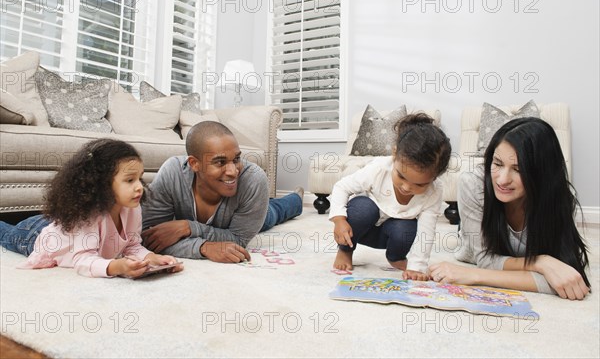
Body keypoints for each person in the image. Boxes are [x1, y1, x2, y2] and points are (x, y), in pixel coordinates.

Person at [429, 117, 591, 300]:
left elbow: (569, 279)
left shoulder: (559, 196)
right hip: (482, 217)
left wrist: (472, 275)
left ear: (541, 173)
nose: (502, 179)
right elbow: (485, 260)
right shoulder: (473, 183)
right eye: (497, 164)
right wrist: (541, 262)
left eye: (518, 169)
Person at [0, 139, 183, 278]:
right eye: (129, 180)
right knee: (6, 234)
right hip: (34, 233)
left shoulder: (132, 207)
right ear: (102, 184)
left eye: (139, 178)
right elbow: (82, 261)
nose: (139, 187)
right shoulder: (90, 215)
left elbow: (132, 246)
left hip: (68, 227)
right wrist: (117, 267)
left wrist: (152, 257)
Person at [141, 121, 303, 263]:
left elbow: (238, 240)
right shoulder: (172, 172)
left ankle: (296, 198)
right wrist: (204, 247)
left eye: (237, 159)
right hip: (229, 217)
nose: (233, 171)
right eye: (220, 162)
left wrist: (189, 228)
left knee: (274, 213)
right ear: (194, 164)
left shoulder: (253, 179)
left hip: (246, 215)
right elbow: (150, 238)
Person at [330, 113, 452, 280]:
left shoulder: (434, 192)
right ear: (395, 155)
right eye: (401, 176)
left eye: (419, 185)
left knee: (406, 228)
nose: (406, 187)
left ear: (435, 178)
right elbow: (341, 187)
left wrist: (417, 266)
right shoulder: (379, 168)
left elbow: (426, 232)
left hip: (390, 235)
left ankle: (395, 257)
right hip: (362, 228)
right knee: (363, 208)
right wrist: (339, 220)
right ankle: (345, 250)